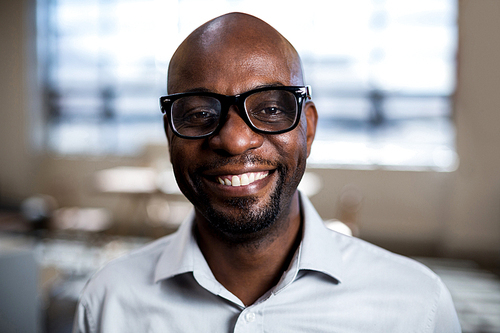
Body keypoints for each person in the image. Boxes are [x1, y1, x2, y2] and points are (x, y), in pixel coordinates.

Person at [73, 12, 461, 332]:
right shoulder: (108, 304)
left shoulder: (416, 307)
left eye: (271, 109)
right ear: (170, 134)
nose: (235, 140)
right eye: (199, 113)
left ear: (307, 129)